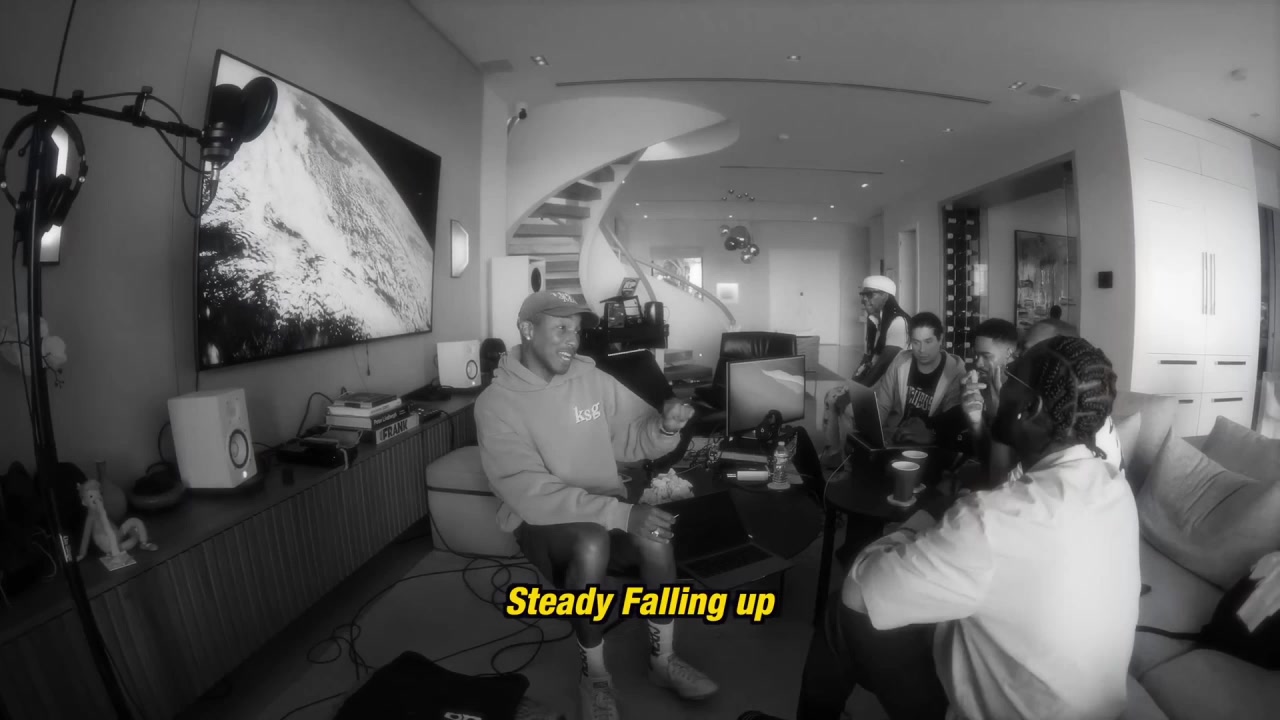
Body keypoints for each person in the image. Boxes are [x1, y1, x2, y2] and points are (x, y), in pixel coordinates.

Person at [796, 335, 1141, 720]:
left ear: (1031, 407)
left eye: (1010, 376)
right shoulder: (1115, 487)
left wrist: (930, 513)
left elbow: (861, 589)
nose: (998, 384)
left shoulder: (991, 522)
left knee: (840, 612)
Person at [475, 290, 717, 720]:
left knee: (655, 534)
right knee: (591, 542)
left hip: (603, 505)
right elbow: (532, 493)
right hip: (539, 522)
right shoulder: (495, 404)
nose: (572, 340)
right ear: (527, 330)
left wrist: (664, 427)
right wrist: (621, 513)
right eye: (561, 328)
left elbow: (634, 437)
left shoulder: (592, 379)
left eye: (577, 330)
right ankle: (595, 676)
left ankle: (662, 662)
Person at [820, 276, 910, 461]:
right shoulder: (875, 321)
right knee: (831, 396)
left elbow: (883, 365)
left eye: (870, 294)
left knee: (849, 408)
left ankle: (851, 462)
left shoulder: (898, 322)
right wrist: (850, 385)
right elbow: (867, 359)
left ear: (885, 295)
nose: (863, 299)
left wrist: (854, 394)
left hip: (890, 387)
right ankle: (833, 453)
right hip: (876, 381)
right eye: (863, 295)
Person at [868, 312, 966, 446]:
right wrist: (874, 436)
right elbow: (883, 404)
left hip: (929, 442)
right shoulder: (900, 361)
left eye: (928, 341)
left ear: (940, 339)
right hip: (894, 435)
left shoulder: (954, 372)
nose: (922, 350)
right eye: (916, 342)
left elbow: (952, 421)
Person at [958, 318, 1021, 483]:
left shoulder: (1023, 398)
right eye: (977, 355)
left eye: (986, 356)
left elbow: (1007, 474)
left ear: (1009, 354)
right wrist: (976, 423)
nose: (978, 363)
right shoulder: (981, 387)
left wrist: (998, 415)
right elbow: (986, 456)